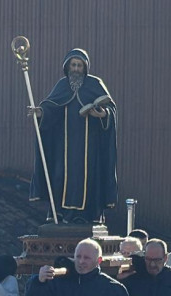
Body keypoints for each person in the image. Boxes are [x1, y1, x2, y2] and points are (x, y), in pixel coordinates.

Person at [28, 49, 118, 224]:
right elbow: (51, 108)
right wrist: (40, 112)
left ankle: (88, 214)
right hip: (64, 146)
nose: (76, 69)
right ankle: (60, 214)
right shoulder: (62, 86)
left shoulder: (94, 84)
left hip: (90, 146)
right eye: (73, 65)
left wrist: (102, 114)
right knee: (60, 176)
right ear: (67, 67)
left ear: (85, 68)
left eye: (79, 65)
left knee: (89, 179)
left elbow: (110, 110)